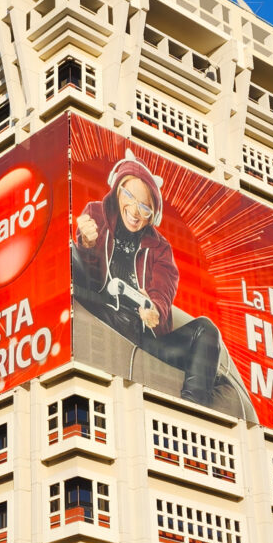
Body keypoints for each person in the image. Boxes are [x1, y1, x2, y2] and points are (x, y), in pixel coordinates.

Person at [73, 150, 223, 407]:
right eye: (130, 196)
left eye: (145, 208)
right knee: (67, 255)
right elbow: (87, 274)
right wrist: (86, 244)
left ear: (153, 214)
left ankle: (194, 410)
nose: (135, 211)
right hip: (102, 310)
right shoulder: (96, 212)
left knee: (207, 330)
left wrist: (155, 310)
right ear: (118, 189)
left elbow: (163, 290)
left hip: (143, 334)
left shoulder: (160, 248)